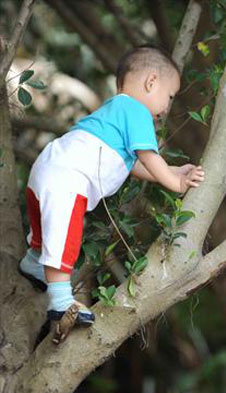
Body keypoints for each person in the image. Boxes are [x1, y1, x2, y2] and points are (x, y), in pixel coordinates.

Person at [17, 45, 205, 343]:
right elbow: (148, 156)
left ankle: (34, 260)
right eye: (169, 96)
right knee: (65, 237)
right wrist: (177, 183)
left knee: (48, 230)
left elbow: (132, 164)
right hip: (67, 177)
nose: (167, 107)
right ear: (151, 81)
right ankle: (61, 301)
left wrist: (172, 170)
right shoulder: (136, 111)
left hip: (49, 167)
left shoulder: (116, 110)